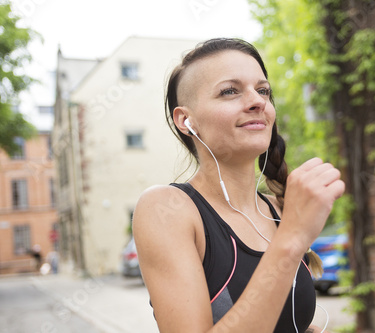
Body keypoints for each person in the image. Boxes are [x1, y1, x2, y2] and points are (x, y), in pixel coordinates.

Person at [132, 38, 345, 333]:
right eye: (230, 91)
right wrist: (293, 238)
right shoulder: (167, 209)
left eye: (263, 90)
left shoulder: (279, 208)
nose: (258, 101)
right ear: (186, 120)